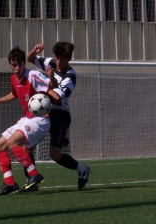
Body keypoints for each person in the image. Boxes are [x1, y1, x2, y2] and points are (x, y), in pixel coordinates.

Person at [0, 46, 56, 195]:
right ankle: (10, 183)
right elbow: (13, 94)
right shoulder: (14, 78)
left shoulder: (33, 75)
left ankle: (34, 174)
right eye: (13, 65)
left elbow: (52, 87)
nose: (17, 68)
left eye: (20, 64)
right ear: (10, 64)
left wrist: (52, 77)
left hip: (40, 119)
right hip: (27, 119)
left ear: (24, 63)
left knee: (13, 143)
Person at [25, 42, 91, 190]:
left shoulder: (70, 76)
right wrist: (34, 51)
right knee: (27, 146)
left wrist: (40, 88)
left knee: (54, 154)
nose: (59, 62)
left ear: (69, 59)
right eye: (57, 58)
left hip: (60, 115)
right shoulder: (50, 62)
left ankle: (82, 169)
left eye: (63, 59)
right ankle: (32, 179)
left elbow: (56, 97)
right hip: (45, 112)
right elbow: (30, 59)